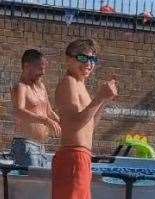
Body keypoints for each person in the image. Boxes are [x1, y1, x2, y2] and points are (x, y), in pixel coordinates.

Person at [52, 39, 118, 199]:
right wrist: (99, 97)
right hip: (73, 156)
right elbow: (74, 124)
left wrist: (103, 100)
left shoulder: (80, 85)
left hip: (81, 157)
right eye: (83, 58)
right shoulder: (69, 82)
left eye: (93, 59)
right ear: (68, 59)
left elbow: (90, 126)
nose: (89, 63)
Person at [10, 49, 61, 168]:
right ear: (27, 66)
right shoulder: (20, 87)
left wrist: (66, 125)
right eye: (40, 68)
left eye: (44, 69)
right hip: (25, 146)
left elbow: (49, 111)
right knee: (30, 186)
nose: (43, 72)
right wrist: (45, 120)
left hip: (41, 147)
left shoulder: (41, 87)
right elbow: (19, 111)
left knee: (40, 186)